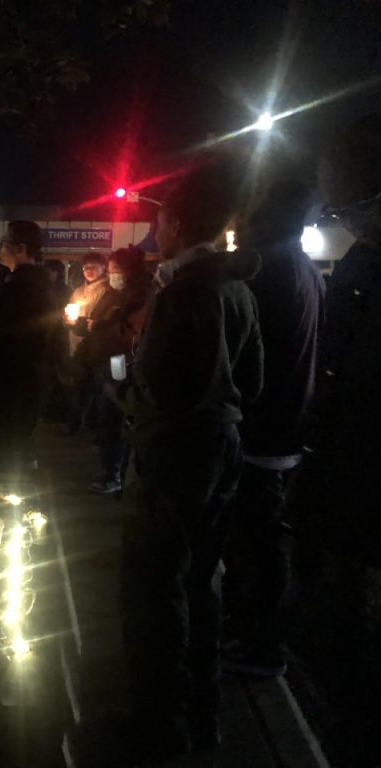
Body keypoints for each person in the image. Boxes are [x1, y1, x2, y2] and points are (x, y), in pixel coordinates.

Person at [109, 163, 263, 759]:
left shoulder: (181, 294)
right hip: (223, 450)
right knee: (204, 583)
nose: (157, 232)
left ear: (174, 222)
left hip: (173, 458)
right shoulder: (240, 289)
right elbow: (252, 380)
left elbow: (160, 392)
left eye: (159, 221)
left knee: (153, 591)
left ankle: (158, 730)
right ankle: (204, 717)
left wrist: (119, 382)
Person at [285, 114, 381, 758]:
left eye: (336, 188)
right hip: (342, 484)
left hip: (361, 486)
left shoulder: (361, 272)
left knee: (352, 634)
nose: (330, 206)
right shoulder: (359, 266)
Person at [221, 180, 324, 678]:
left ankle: (262, 646)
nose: (236, 224)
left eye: (245, 213)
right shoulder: (303, 268)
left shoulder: (263, 269)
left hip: (260, 426)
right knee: (259, 537)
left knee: (256, 542)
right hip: (286, 423)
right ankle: (251, 634)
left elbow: (242, 354)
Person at [74, 246, 154, 494]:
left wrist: (97, 325)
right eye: (109, 271)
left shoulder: (142, 296)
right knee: (107, 415)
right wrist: (83, 325)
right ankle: (112, 470)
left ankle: (114, 474)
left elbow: (127, 333)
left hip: (121, 361)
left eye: (115, 270)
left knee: (115, 416)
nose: (112, 276)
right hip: (105, 359)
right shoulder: (114, 292)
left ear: (129, 271)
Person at [0, 220, 57, 472]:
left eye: (4, 243)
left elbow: (3, 335)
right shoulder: (40, 283)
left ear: (21, 249)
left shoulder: (19, 287)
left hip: (12, 379)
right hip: (31, 376)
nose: (0, 248)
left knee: (5, 445)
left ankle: (6, 498)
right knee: (22, 442)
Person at [63, 253, 112, 432]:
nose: (88, 271)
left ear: (103, 267)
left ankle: (88, 424)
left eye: (93, 267)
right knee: (80, 384)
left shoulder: (107, 289)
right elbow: (69, 310)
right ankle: (81, 422)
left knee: (94, 385)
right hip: (78, 343)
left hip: (95, 345)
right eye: (85, 268)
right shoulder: (78, 291)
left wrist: (84, 323)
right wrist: (68, 319)